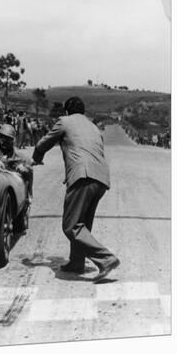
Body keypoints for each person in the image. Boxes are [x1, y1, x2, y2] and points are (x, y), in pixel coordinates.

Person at [32, 96, 120, 283]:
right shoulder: (93, 126)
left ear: (66, 111)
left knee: (71, 226)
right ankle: (76, 262)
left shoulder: (64, 121)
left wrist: (37, 157)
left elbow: (43, 143)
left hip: (82, 175)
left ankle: (106, 259)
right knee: (83, 224)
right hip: (101, 179)